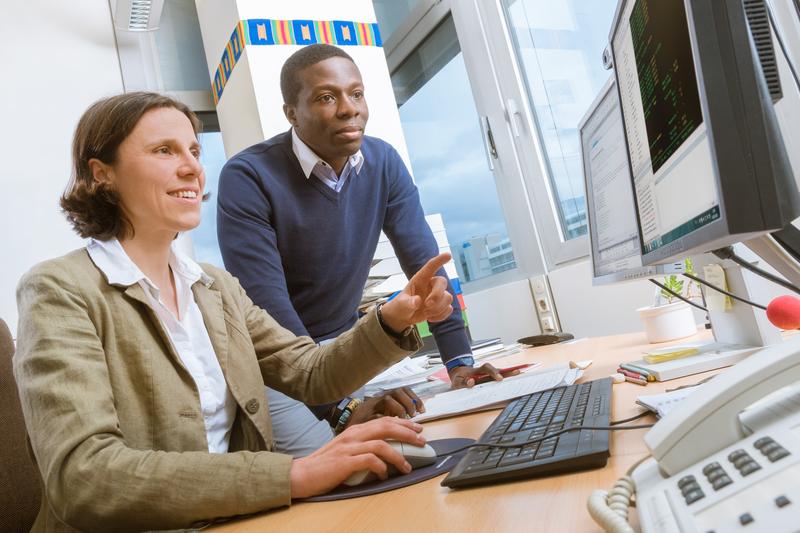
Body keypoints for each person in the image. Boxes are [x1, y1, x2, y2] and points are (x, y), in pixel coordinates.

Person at [13, 92, 456, 531]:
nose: (191, 166)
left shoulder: (215, 286)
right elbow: (85, 477)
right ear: (102, 174)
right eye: (164, 151)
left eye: (193, 150)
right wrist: (294, 474)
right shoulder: (59, 289)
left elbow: (310, 372)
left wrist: (394, 317)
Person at [217, 44, 511, 454]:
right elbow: (270, 307)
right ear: (291, 113)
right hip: (276, 366)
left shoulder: (383, 161)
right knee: (337, 466)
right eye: (326, 97)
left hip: (344, 349)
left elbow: (427, 270)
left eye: (356, 94)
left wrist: (460, 364)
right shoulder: (248, 176)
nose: (348, 108)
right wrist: (339, 408)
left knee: (419, 435)